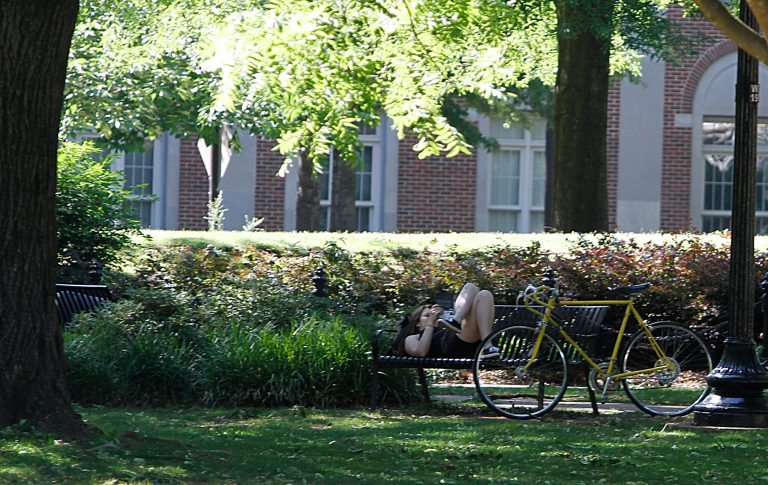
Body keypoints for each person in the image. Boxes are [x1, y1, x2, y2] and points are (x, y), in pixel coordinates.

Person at [391, 283, 500, 359]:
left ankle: (486, 345)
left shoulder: (443, 327)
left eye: (434, 315)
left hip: (469, 341)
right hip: (456, 346)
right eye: (427, 315)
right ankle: (457, 323)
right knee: (473, 289)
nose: (432, 317)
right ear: (417, 322)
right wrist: (430, 325)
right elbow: (420, 352)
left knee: (482, 293)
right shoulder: (411, 338)